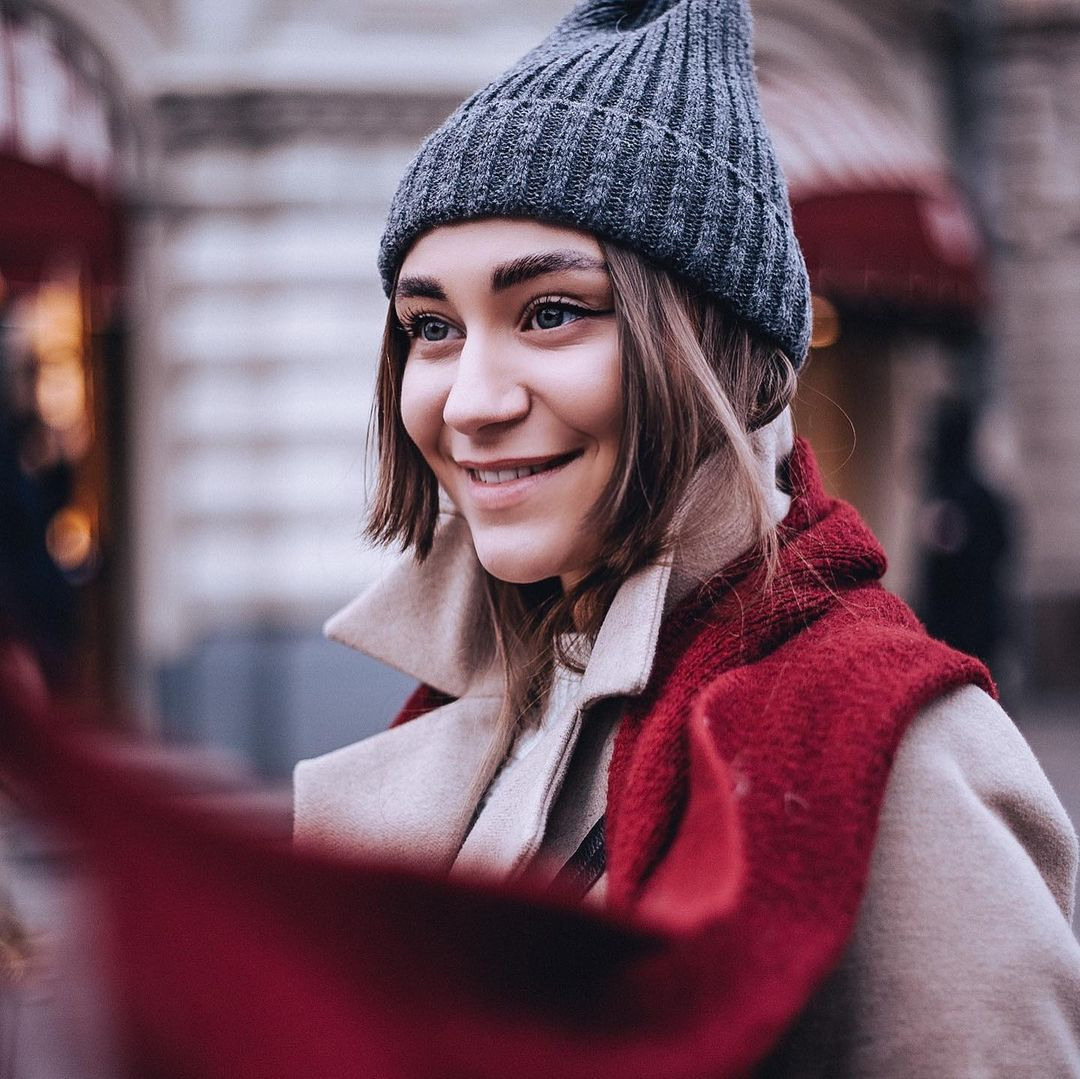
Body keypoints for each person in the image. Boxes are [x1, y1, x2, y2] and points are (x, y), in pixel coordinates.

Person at [294, 0, 1080, 1074]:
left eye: (551, 311)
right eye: (432, 327)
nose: (468, 400)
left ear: (720, 343)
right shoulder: (473, 703)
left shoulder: (894, 749)